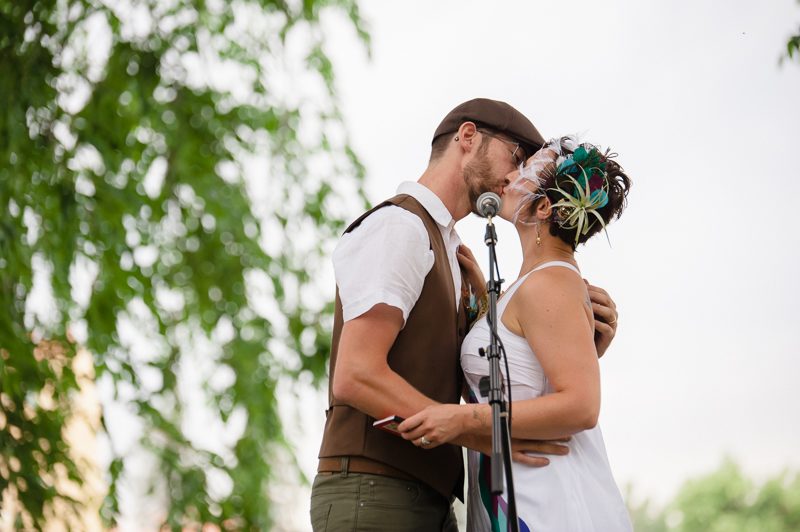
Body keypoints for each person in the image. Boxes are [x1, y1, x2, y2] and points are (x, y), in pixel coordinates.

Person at [310, 100, 621, 532]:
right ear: (468, 137)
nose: (516, 174)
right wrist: (471, 430)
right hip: (376, 486)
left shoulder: (459, 257)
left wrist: (573, 345)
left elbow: (477, 375)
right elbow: (354, 373)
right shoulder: (400, 226)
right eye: (515, 156)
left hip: (435, 492)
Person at [397, 137, 634, 531]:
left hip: (546, 505)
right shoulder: (530, 286)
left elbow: (581, 405)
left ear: (543, 207)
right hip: (514, 495)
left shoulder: (551, 282)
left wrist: (462, 420)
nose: (509, 176)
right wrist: (482, 310)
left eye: (525, 169)